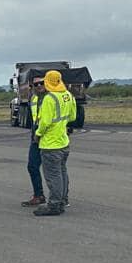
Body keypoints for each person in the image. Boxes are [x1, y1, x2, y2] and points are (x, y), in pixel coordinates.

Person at [33, 69, 76, 217]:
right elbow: (72, 116)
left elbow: (44, 122)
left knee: (53, 175)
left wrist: (37, 134)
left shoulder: (49, 98)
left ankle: (55, 204)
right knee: (62, 172)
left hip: (50, 144)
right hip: (63, 142)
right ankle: (63, 199)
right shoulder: (68, 95)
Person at [22, 77, 46, 208]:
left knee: (54, 170)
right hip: (36, 137)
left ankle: (61, 197)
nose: (39, 86)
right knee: (32, 166)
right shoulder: (34, 99)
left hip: (48, 138)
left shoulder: (51, 98)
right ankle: (39, 195)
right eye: (36, 84)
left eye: (42, 83)